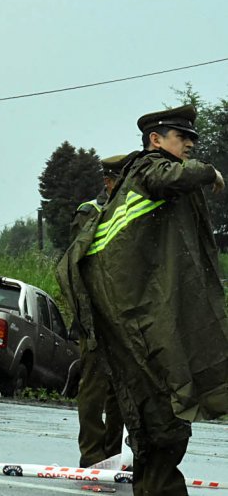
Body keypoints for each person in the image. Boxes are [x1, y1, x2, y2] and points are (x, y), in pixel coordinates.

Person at [57, 105, 228, 495]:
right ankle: (99, 463)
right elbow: (167, 176)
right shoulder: (149, 168)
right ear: (155, 140)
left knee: (156, 425)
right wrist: (209, 172)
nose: (190, 145)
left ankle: (123, 468)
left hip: (134, 321)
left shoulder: (146, 184)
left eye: (192, 139)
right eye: (181, 137)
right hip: (132, 325)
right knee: (158, 426)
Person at [70, 154, 129, 468]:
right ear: (109, 180)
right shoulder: (91, 212)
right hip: (95, 314)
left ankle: (113, 455)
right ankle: (92, 456)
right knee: (94, 385)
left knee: (122, 390)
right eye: (123, 179)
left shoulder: (130, 211)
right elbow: (87, 261)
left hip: (124, 316)